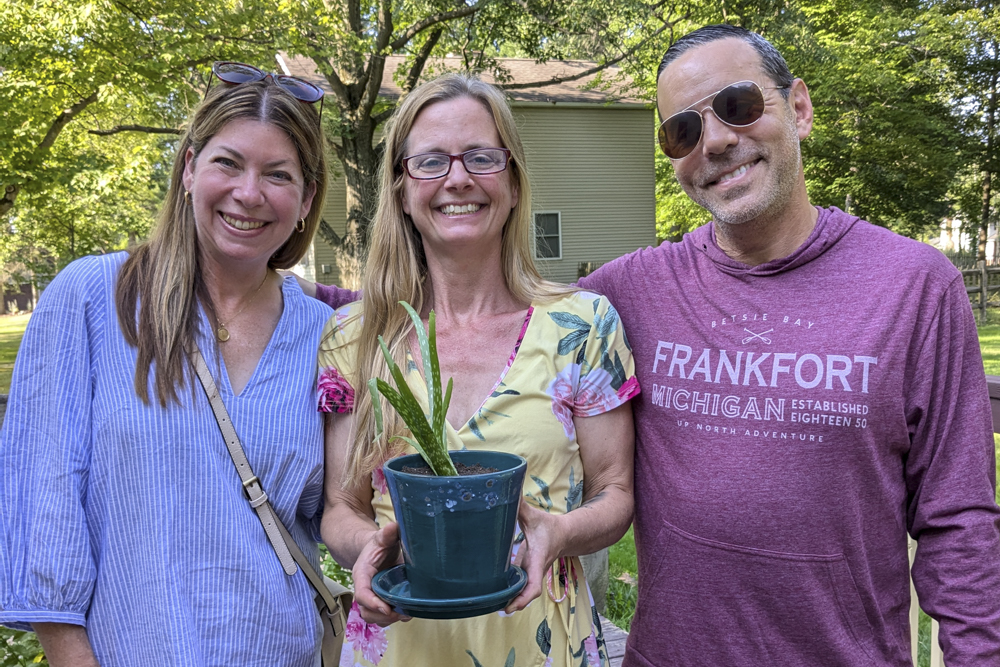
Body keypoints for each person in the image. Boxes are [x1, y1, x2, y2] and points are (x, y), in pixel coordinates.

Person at [577, 23, 1000, 667]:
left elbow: (959, 520)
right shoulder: (624, 295)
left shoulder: (915, 287)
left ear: (798, 108)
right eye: (682, 132)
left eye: (738, 105)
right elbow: (493, 323)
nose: (715, 141)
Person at [0, 63, 333, 666]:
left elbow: (340, 511)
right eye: (227, 162)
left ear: (307, 200)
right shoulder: (95, 298)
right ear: (188, 169)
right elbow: (44, 508)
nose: (249, 192)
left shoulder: (325, 337)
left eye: (278, 175)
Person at [316, 73, 639, 667]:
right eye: (431, 161)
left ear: (513, 183)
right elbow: (342, 506)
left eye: (482, 157)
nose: (457, 178)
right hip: (400, 641)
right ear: (402, 190)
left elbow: (615, 493)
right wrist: (371, 549)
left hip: (541, 638)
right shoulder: (354, 338)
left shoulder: (583, 326)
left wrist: (560, 533)